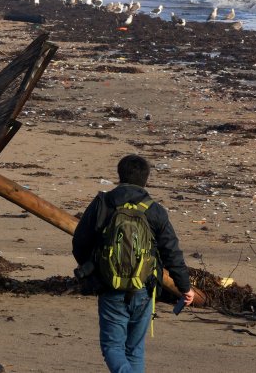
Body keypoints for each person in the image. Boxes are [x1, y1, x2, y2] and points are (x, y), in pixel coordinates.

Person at [72, 154, 194, 373]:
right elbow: (171, 253)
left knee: (112, 346)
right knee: (135, 349)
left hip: (110, 286)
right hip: (144, 288)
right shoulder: (154, 210)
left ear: (119, 175)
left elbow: (79, 242)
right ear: (146, 179)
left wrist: (94, 268)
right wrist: (185, 287)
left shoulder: (103, 203)